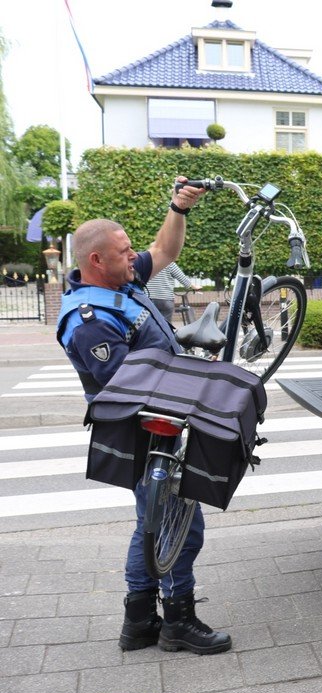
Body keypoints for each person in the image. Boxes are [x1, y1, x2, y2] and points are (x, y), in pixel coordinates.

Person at [56, 177, 232, 656]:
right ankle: (177, 621)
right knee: (177, 524)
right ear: (97, 260)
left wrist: (179, 208)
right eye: (124, 250)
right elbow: (125, 388)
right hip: (145, 433)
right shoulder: (87, 320)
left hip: (162, 424)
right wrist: (194, 379)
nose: (135, 256)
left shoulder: (121, 279)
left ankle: (138, 624)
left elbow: (165, 249)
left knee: (150, 524)